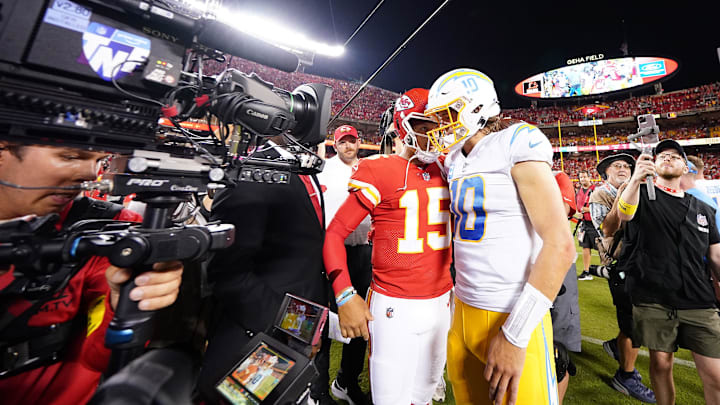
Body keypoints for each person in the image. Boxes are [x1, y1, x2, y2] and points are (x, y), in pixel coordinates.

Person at [423, 68, 575, 405]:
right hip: (462, 309)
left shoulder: (516, 141)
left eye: (447, 114)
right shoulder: (453, 159)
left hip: (508, 314)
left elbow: (562, 246)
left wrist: (516, 335)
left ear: (475, 109)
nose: (440, 125)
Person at [0, 142, 183, 405]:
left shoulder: (112, 230)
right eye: (70, 156)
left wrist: (124, 304)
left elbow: (98, 358)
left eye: (100, 160)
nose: (90, 173)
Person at [324, 88, 453, 405]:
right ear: (404, 125)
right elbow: (334, 233)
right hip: (395, 306)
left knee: (422, 397)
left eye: (438, 124)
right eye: (424, 124)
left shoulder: (451, 169)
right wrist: (344, 292)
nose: (433, 132)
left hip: (442, 303)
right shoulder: (379, 170)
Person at [199, 135, 334, 405]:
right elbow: (227, 273)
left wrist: (305, 327)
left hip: (294, 325)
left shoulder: (303, 166)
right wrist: (295, 326)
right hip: (260, 329)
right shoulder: (253, 172)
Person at [617, 139, 720, 405]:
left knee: (716, 375)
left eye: (675, 156)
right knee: (661, 366)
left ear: (685, 165)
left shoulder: (705, 210)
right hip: (654, 298)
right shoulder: (642, 197)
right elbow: (624, 214)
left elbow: (716, 257)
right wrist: (636, 179)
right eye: (662, 155)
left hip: (698, 299)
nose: (668, 158)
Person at [588, 153, 656, 403]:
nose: (624, 169)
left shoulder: (636, 187)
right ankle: (625, 376)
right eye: (617, 165)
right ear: (605, 172)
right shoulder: (599, 194)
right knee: (633, 322)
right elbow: (608, 228)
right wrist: (623, 193)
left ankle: (618, 347)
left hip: (641, 261)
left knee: (640, 317)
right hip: (620, 263)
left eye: (628, 165)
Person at [317, 124, 372, 405]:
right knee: (324, 322)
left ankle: (346, 381)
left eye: (352, 141)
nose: (348, 146)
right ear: (334, 144)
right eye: (343, 142)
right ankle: (319, 388)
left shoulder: (370, 168)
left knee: (362, 321)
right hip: (333, 251)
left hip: (364, 253)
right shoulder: (324, 169)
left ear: (358, 143)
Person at [552, 170, 581, 405]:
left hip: (557, 265)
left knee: (558, 349)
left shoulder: (557, 176)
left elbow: (557, 217)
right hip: (519, 269)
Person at [575, 170, 598, 280]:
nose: (583, 179)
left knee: (602, 248)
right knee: (585, 247)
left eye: (584, 177)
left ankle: (609, 269)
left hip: (595, 223)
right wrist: (577, 213)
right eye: (581, 177)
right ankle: (586, 271)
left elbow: (602, 206)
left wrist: (588, 209)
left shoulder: (596, 190)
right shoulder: (578, 191)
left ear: (589, 177)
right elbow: (576, 206)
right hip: (584, 224)